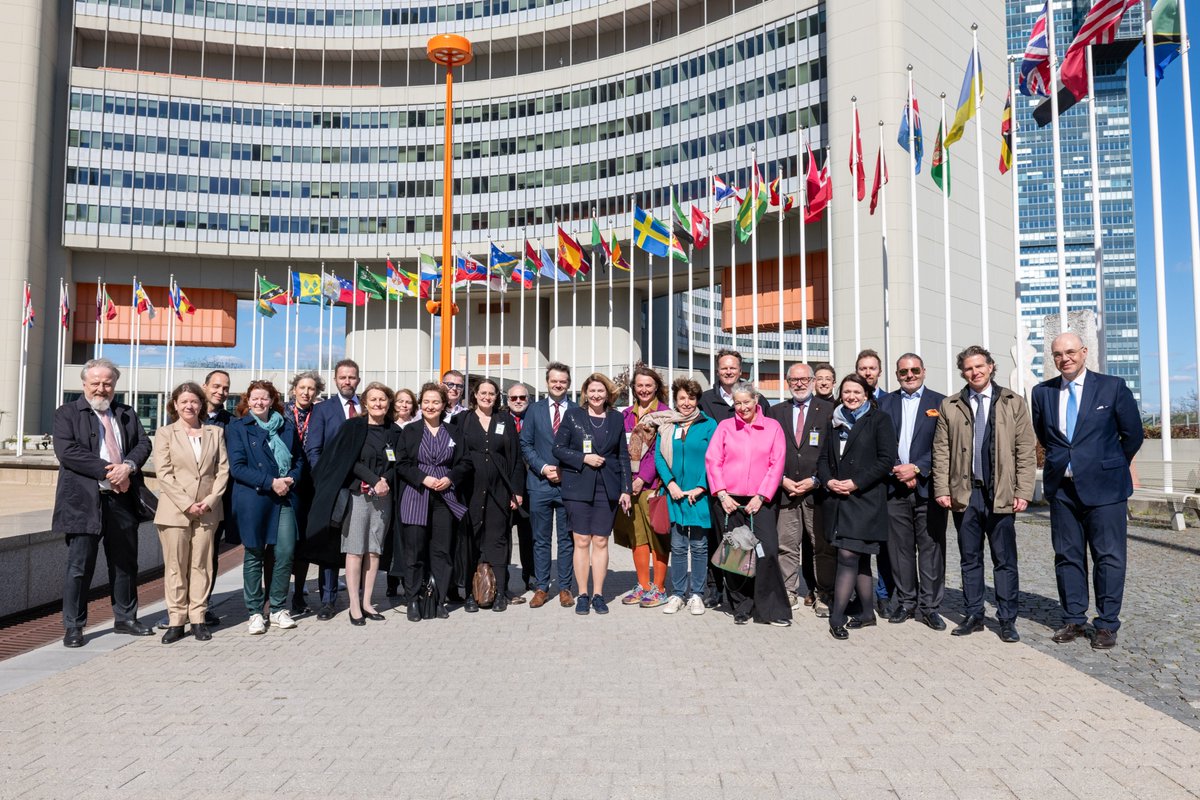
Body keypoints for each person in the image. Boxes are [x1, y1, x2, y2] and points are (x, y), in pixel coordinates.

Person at [1031, 332, 1143, 650]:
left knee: (1108, 557)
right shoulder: (1042, 393)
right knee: (1067, 556)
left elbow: (1132, 434)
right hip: (1062, 489)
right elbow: (1046, 435)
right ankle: (1074, 619)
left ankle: (1106, 624)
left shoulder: (1112, 386)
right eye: (1057, 354)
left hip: (1106, 489)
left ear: (1084, 352)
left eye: (1070, 352)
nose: (1064, 358)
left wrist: (1107, 466)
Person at [933, 345, 1036, 644]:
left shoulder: (1013, 402)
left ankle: (1007, 619)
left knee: (1004, 559)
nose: (974, 372)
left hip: (1001, 493)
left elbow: (1025, 451)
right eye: (968, 368)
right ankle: (974, 614)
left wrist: (1024, 491)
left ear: (991, 366)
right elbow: (941, 451)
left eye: (980, 366)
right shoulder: (950, 405)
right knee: (969, 558)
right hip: (965, 495)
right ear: (962, 372)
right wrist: (942, 488)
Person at [54, 358, 155, 648]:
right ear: (84, 384)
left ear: (115, 385)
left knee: (124, 563)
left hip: (121, 500)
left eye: (107, 383)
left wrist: (128, 467)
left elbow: (143, 444)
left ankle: (126, 618)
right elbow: (68, 452)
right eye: (95, 382)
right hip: (83, 502)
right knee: (79, 567)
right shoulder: (67, 413)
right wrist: (109, 471)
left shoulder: (126, 413)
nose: (102, 388)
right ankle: (74, 626)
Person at [307, 382, 401, 625]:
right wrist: (372, 480)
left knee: (374, 550)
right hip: (357, 497)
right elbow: (348, 460)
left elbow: (398, 462)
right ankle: (354, 605)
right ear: (365, 403)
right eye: (373, 399)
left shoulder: (394, 430)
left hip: (383, 497)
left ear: (389, 402)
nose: (378, 404)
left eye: (383, 399)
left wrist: (384, 481)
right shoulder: (353, 427)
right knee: (355, 549)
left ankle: (368, 602)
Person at [817, 375, 897, 640]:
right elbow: (823, 459)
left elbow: (886, 461)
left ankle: (836, 616)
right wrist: (829, 481)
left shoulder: (880, 420)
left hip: (865, 500)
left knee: (848, 556)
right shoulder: (834, 421)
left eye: (856, 392)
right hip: (839, 500)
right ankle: (866, 614)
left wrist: (855, 483)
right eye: (847, 391)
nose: (851, 396)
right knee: (859, 557)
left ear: (866, 395)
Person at [705, 382, 790, 626]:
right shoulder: (725, 427)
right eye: (737, 403)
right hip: (729, 500)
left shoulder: (772, 427)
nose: (742, 407)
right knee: (735, 556)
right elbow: (713, 461)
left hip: (761, 501)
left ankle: (771, 608)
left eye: (746, 402)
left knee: (768, 552)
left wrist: (761, 495)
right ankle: (740, 604)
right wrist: (721, 494)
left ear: (756, 401)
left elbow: (777, 463)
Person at [226, 380, 306, 635]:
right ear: (247, 401)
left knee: (285, 551)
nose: (259, 402)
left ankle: (279, 608)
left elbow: (299, 458)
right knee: (254, 554)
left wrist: (291, 477)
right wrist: (271, 482)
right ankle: (254, 612)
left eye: (265, 398)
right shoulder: (238, 427)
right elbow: (237, 467)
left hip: (285, 496)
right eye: (255, 398)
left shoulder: (285, 426)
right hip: (255, 497)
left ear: (273, 400)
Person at [152, 382, 230, 644]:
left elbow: (223, 471)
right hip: (175, 512)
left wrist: (209, 500)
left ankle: (198, 618)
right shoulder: (165, 433)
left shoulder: (215, 433)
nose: (189, 406)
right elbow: (163, 473)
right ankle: (176, 620)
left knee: (201, 566)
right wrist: (187, 503)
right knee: (176, 567)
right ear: (175, 404)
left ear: (202, 404)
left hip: (208, 511)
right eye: (183, 401)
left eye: (194, 401)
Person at [878, 354, 949, 630]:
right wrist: (898, 469)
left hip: (929, 487)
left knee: (931, 548)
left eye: (914, 370)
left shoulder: (940, 403)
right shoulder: (884, 403)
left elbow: (945, 446)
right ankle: (907, 602)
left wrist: (918, 468)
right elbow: (880, 445)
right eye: (903, 371)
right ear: (896, 375)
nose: (909, 375)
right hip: (895, 487)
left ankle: (929, 607)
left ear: (924, 371)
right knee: (900, 549)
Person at [553, 373, 632, 615]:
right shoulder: (573, 415)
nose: (596, 395)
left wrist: (626, 489)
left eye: (601, 391)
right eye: (592, 391)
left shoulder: (616, 419)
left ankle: (598, 594)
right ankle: (583, 594)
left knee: (600, 541)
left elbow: (622, 456)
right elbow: (558, 448)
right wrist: (583, 458)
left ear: (608, 394)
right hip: (578, 486)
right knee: (582, 541)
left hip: (607, 487)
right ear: (585, 393)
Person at [697, 349, 770, 610]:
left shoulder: (757, 401)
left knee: (745, 540)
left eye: (733, 368)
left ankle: (746, 589)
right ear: (717, 371)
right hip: (714, 483)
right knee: (716, 537)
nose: (728, 371)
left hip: (747, 486)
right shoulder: (705, 400)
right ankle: (715, 587)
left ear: (741, 371)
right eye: (723, 368)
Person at [394, 383, 472, 621]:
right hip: (417, 494)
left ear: (443, 405)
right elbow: (401, 463)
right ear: (421, 404)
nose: (430, 406)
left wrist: (450, 478)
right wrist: (423, 478)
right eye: (426, 402)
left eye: (435, 402)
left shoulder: (454, 432)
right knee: (414, 551)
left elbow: (465, 462)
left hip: (445, 497)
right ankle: (413, 600)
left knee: (442, 551)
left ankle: (438, 600)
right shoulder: (410, 430)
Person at [767, 363, 835, 614]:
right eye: (794, 380)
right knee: (787, 545)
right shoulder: (776, 412)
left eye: (804, 379)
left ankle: (823, 594)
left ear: (813, 380)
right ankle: (788, 591)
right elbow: (769, 452)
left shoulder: (829, 410)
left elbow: (834, 453)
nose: (799, 383)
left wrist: (816, 480)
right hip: (786, 491)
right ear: (787, 382)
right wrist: (781, 479)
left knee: (822, 546)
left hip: (817, 491)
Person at [454, 378, 526, 613]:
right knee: (471, 541)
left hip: (499, 490)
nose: (487, 397)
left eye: (492, 393)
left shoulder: (504, 420)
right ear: (474, 395)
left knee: (498, 540)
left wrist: (516, 492)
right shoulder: (462, 420)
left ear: (497, 397)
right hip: (470, 491)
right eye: (483, 393)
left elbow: (515, 460)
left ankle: (500, 593)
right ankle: (471, 595)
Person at [653, 378, 718, 616]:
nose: (687, 403)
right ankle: (678, 593)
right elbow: (659, 456)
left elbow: (714, 458)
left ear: (697, 399)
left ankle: (697, 594)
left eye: (691, 398)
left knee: (699, 546)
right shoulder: (668, 424)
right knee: (678, 546)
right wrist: (670, 484)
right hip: (674, 494)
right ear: (675, 400)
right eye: (682, 398)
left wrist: (701, 487)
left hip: (698, 495)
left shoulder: (709, 424)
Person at [302, 358, 361, 620]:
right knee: (331, 542)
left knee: (357, 542)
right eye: (343, 377)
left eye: (352, 377)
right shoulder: (323, 409)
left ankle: (359, 599)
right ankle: (328, 599)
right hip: (332, 485)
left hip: (361, 485)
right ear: (336, 380)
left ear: (358, 380)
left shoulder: (366, 407)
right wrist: (322, 479)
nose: (347, 381)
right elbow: (313, 448)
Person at [520, 362, 578, 609]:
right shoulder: (534, 410)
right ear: (547, 382)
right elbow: (526, 444)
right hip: (540, 483)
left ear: (568, 384)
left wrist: (565, 470)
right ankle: (542, 586)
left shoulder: (578, 410)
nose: (558, 384)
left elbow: (582, 445)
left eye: (563, 381)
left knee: (567, 539)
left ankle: (565, 587)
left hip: (569, 485)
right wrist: (544, 468)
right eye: (554, 380)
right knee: (540, 539)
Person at [617, 365, 672, 608]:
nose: (644, 389)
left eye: (649, 385)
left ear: (657, 387)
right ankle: (644, 585)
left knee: (657, 536)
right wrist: (627, 483)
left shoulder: (665, 414)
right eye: (639, 385)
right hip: (630, 487)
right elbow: (620, 451)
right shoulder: (626, 415)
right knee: (636, 537)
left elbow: (662, 450)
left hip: (653, 486)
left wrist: (643, 478)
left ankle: (659, 587)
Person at [855, 348, 893, 613]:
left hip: (885, 484)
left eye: (872, 368)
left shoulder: (892, 402)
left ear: (880, 371)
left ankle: (885, 594)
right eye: (863, 368)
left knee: (885, 545)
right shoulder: (847, 401)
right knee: (857, 546)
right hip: (855, 488)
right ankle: (860, 593)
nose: (867, 372)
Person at [284, 369, 324, 616]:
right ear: (294, 389)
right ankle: (278, 594)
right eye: (303, 387)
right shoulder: (282, 413)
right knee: (284, 541)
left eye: (311, 389)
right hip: (287, 481)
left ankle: (298, 594)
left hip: (311, 482)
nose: (307, 392)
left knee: (304, 542)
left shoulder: (320, 413)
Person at [386, 387, 417, 597]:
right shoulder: (389, 428)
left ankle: (409, 582)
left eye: (408, 402)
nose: (404, 405)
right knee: (391, 533)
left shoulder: (416, 428)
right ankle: (391, 581)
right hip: (391, 484)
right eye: (400, 401)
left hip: (410, 484)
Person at [504, 384, 535, 593]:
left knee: (529, 537)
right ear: (507, 400)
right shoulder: (499, 419)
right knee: (502, 537)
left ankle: (530, 576)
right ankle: (502, 580)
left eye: (522, 397)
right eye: (513, 397)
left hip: (532, 487)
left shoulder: (534, 419)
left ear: (528, 399)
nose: (518, 400)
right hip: (505, 487)